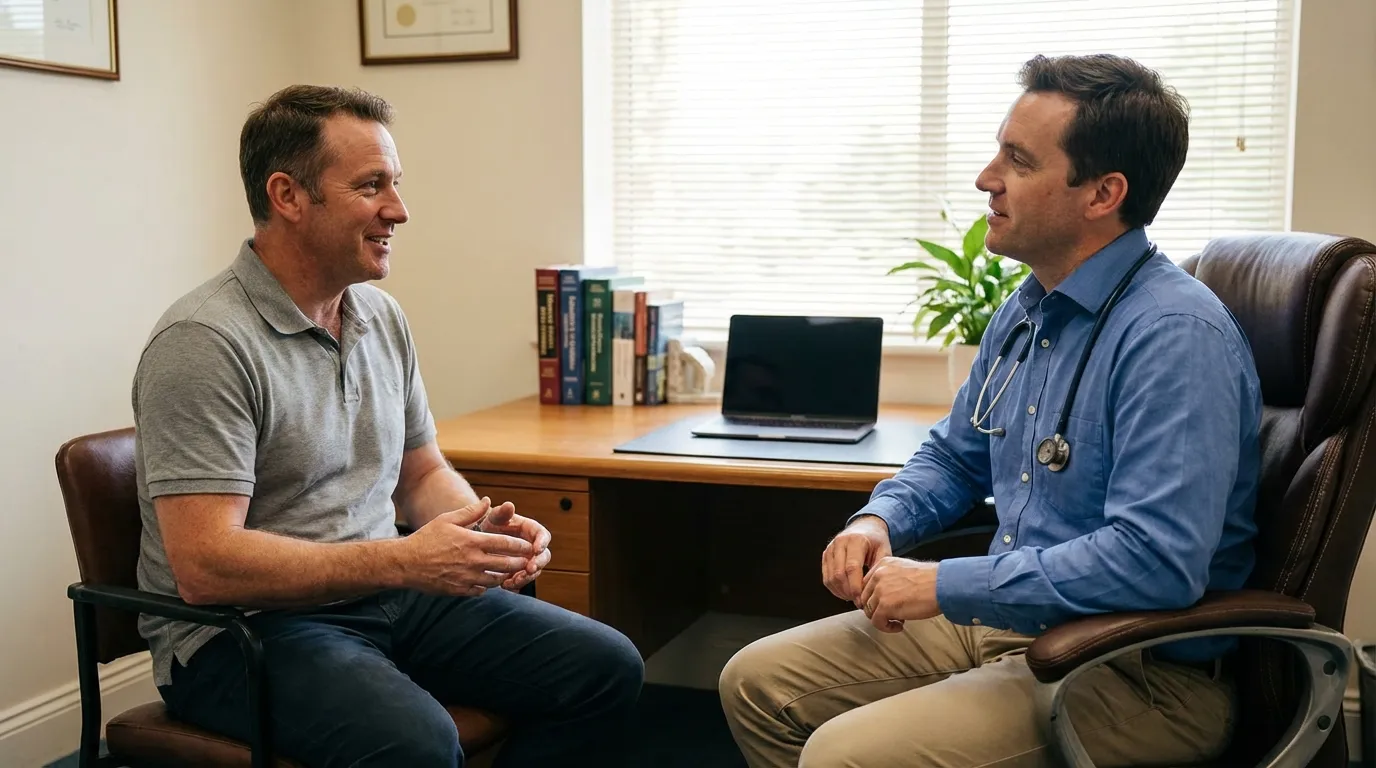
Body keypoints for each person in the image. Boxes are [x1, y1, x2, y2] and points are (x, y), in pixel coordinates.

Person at [719, 53, 1262, 767]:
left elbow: (1155, 563)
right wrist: (882, 520)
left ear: (1102, 194)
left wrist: (944, 583)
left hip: (1136, 668)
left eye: (1018, 160)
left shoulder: (1174, 337)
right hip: (1014, 621)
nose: (986, 178)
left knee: (842, 756)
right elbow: (955, 454)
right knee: (755, 682)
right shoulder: (1030, 305)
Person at [132, 84, 644, 768]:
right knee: (417, 746)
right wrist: (402, 560)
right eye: (371, 186)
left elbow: (420, 472)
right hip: (243, 632)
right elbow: (204, 566)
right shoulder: (203, 342)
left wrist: (480, 532)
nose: (398, 211)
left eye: (395, 184)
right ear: (287, 196)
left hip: (383, 592)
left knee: (605, 666)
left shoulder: (379, 317)